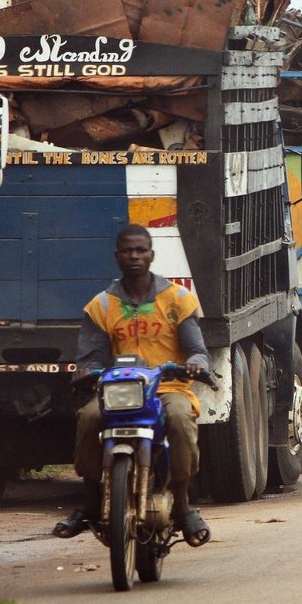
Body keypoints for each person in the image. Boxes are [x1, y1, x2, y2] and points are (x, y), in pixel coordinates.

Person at [53, 224, 212, 546]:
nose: (134, 256)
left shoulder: (178, 300)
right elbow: (90, 357)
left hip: (168, 389)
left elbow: (197, 349)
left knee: (181, 421)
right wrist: (85, 372)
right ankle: (91, 500)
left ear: (151, 255)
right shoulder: (102, 305)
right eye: (128, 250)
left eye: (141, 250)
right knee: (88, 418)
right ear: (117, 256)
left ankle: (182, 505)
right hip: (119, 393)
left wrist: (196, 364)